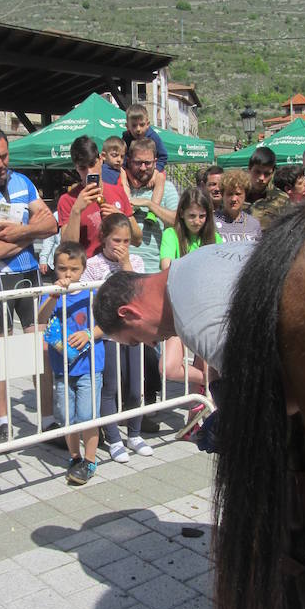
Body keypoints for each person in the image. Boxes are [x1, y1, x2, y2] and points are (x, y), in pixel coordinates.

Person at [93, 244, 305, 609]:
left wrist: (231, 424)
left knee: (278, 549)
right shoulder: (195, 265)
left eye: (134, 340)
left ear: (131, 311)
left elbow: (285, 393)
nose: (146, 345)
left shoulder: (197, 318)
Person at [0, 126, 57, 443]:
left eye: (4, 156)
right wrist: (31, 232)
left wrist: (16, 233)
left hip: (30, 275)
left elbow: (51, 224)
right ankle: (3, 422)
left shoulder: (23, 181)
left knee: (39, 350)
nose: (1, 163)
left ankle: (48, 420)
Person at [83, 213, 153, 462]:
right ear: (103, 238)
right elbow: (88, 301)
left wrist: (125, 266)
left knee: (135, 387)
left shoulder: (135, 261)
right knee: (110, 387)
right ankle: (113, 438)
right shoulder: (92, 265)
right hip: (107, 335)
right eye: (116, 240)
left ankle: (134, 434)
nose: (121, 246)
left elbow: (140, 292)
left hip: (132, 333)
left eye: (126, 241)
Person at [38, 241, 104, 486]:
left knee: (88, 416)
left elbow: (105, 323)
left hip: (89, 367)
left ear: (83, 268)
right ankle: (74, 457)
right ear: (55, 267)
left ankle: (89, 459)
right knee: (67, 417)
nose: (67, 274)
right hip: (61, 368)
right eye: (62, 268)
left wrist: (89, 333)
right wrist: (54, 296)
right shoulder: (52, 293)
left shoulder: (92, 291)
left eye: (73, 269)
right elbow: (41, 318)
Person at [125, 136, 178, 432]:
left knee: (151, 340)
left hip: (155, 274)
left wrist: (148, 203)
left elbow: (177, 220)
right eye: (138, 162)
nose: (143, 167)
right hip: (126, 271)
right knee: (129, 338)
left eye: (148, 162)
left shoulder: (167, 189)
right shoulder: (122, 186)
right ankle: (131, 402)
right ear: (130, 162)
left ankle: (148, 401)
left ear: (155, 162)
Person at [159, 188, 222, 434]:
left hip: (207, 312)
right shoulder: (170, 235)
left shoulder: (214, 238)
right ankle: (211, 385)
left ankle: (198, 424)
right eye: (192, 215)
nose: (197, 221)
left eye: (202, 216)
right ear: (182, 214)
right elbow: (166, 267)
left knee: (207, 365)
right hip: (180, 313)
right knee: (169, 367)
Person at [58, 135, 141, 257]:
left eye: (92, 164)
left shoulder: (118, 191)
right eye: (82, 168)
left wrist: (121, 218)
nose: (89, 172)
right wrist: (76, 211)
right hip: (87, 272)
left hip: (117, 270)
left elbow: (137, 240)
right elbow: (68, 251)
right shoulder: (67, 200)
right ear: (76, 168)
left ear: (101, 159)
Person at [245, 147, 290, 229]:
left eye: (267, 174)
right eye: (257, 172)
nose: (262, 178)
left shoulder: (282, 200)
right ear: (249, 169)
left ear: (273, 173)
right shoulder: (236, 195)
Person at [215, 170, 262, 243]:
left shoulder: (254, 224)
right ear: (222, 195)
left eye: (238, 194)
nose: (234, 199)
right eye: (229, 194)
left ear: (245, 195)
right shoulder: (212, 221)